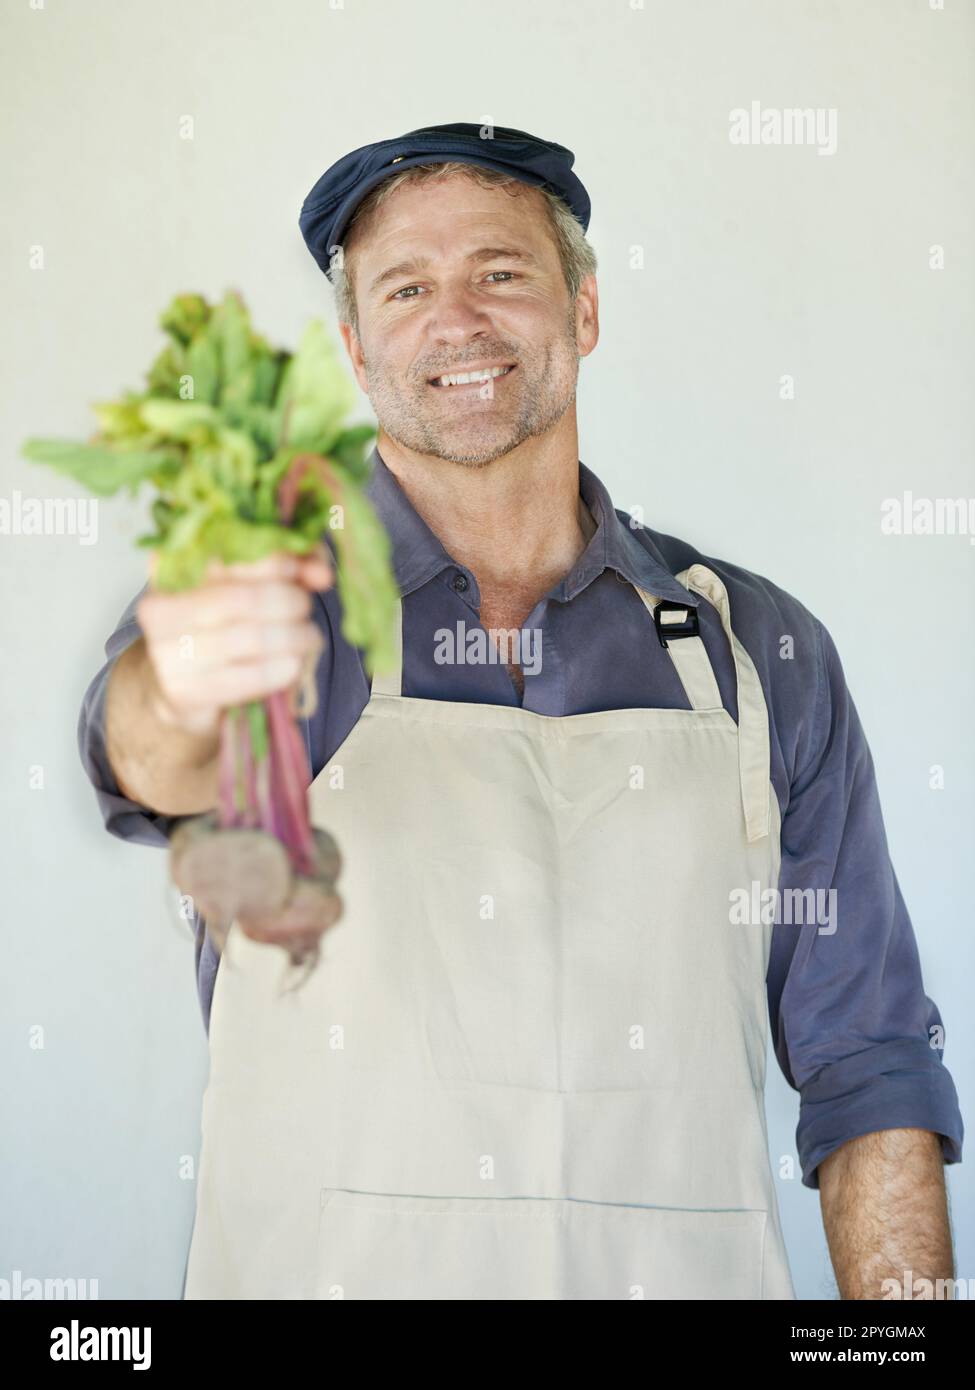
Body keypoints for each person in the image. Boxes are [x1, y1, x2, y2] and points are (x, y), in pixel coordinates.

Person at [80, 123, 963, 1300]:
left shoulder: (759, 654)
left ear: (583, 310)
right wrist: (182, 677)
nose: (459, 321)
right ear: (355, 346)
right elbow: (149, 757)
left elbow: (871, 1069)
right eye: (407, 288)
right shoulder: (277, 608)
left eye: (501, 272)